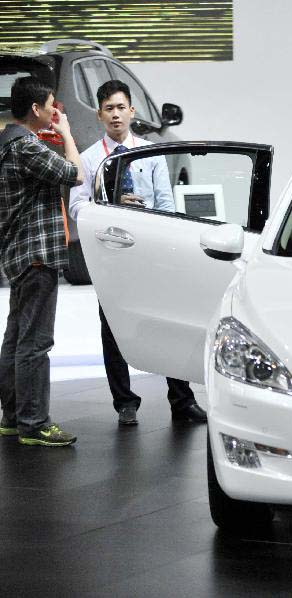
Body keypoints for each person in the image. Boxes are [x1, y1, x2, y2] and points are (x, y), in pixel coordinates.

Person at [69, 80, 207, 426]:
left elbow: (166, 204)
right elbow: (76, 208)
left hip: (151, 252)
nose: (115, 115)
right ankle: (125, 402)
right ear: (100, 115)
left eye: (120, 107)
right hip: (110, 253)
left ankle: (182, 398)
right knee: (112, 326)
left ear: (131, 111)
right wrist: (111, 203)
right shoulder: (88, 159)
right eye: (108, 109)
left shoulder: (151, 152)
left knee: (167, 323)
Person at [0, 76, 83, 446]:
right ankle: (34, 423)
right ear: (36, 109)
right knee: (35, 342)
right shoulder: (27, 147)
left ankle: (14, 417)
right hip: (37, 256)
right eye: (52, 105)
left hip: (21, 255)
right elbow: (75, 174)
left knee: (17, 339)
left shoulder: (9, 143)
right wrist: (66, 133)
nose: (55, 111)